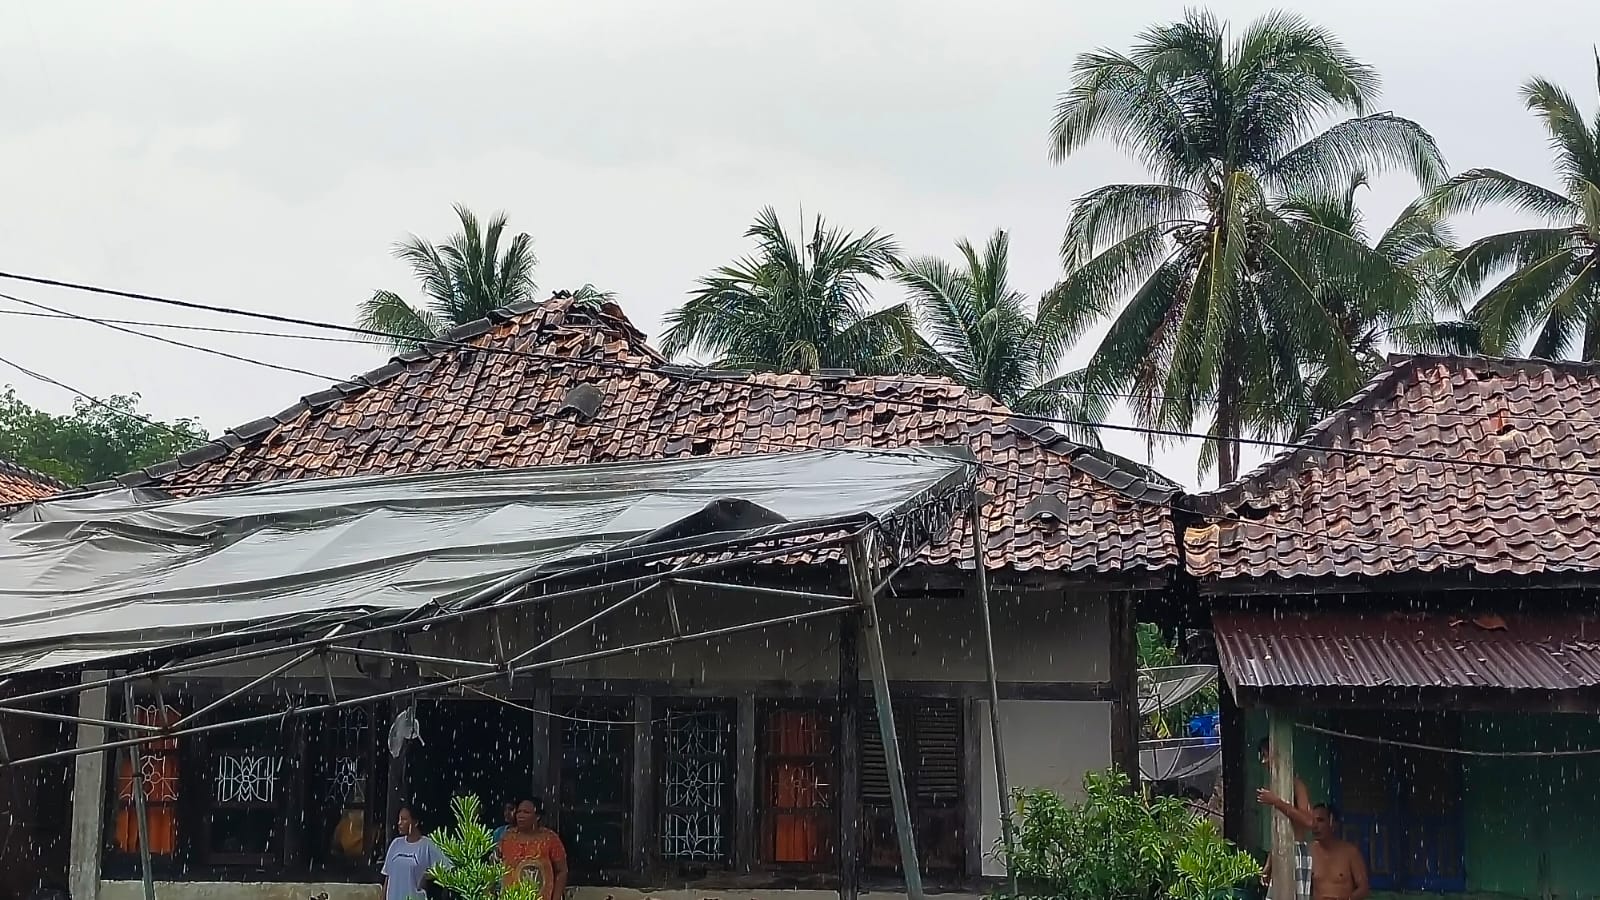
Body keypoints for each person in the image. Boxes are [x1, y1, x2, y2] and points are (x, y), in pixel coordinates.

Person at [499, 797, 568, 900]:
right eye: (519, 812)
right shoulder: (506, 838)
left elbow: (562, 871)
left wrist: (556, 897)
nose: (521, 815)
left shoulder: (549, 839)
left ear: (537, 816)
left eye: (526, 812)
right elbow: (495, 867)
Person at [382, 806, 447, 900]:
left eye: (404, 819)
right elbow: (387, 877)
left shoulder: (427, 845)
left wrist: (426, 876)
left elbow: (447, 867)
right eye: (399, 819)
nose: (399, 823)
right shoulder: (395, 844)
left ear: (415, 822)